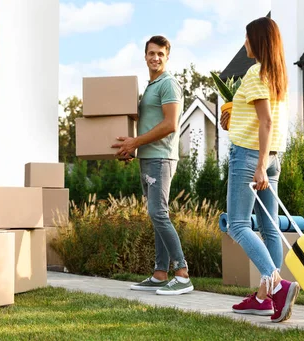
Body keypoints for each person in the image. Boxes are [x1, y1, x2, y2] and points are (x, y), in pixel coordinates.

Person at [222, 17, 300, 322]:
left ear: (258, 40)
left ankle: (277, 286)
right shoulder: (277, 76)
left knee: (238, 225)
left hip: (250, 157)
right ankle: (266, 299)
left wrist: (258, 166)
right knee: (270, 228)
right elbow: (263, 121)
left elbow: (266, 122)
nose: (245, 43)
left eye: (247, 38)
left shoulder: (255, 73)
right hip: (272, 156)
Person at [112, 35, 193, 296]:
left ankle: (182, 273)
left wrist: (135, 142)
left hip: (161, 157)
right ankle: (160, 273)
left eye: (160, 53)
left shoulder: (169, 85)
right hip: (149, 157)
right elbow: (146, 124)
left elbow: (171, 124)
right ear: (144, 56)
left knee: (159, 213)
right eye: (151, 53)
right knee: (156, 215)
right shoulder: (151, 86)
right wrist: (131, 147)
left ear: (167, 56)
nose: (155, 57)